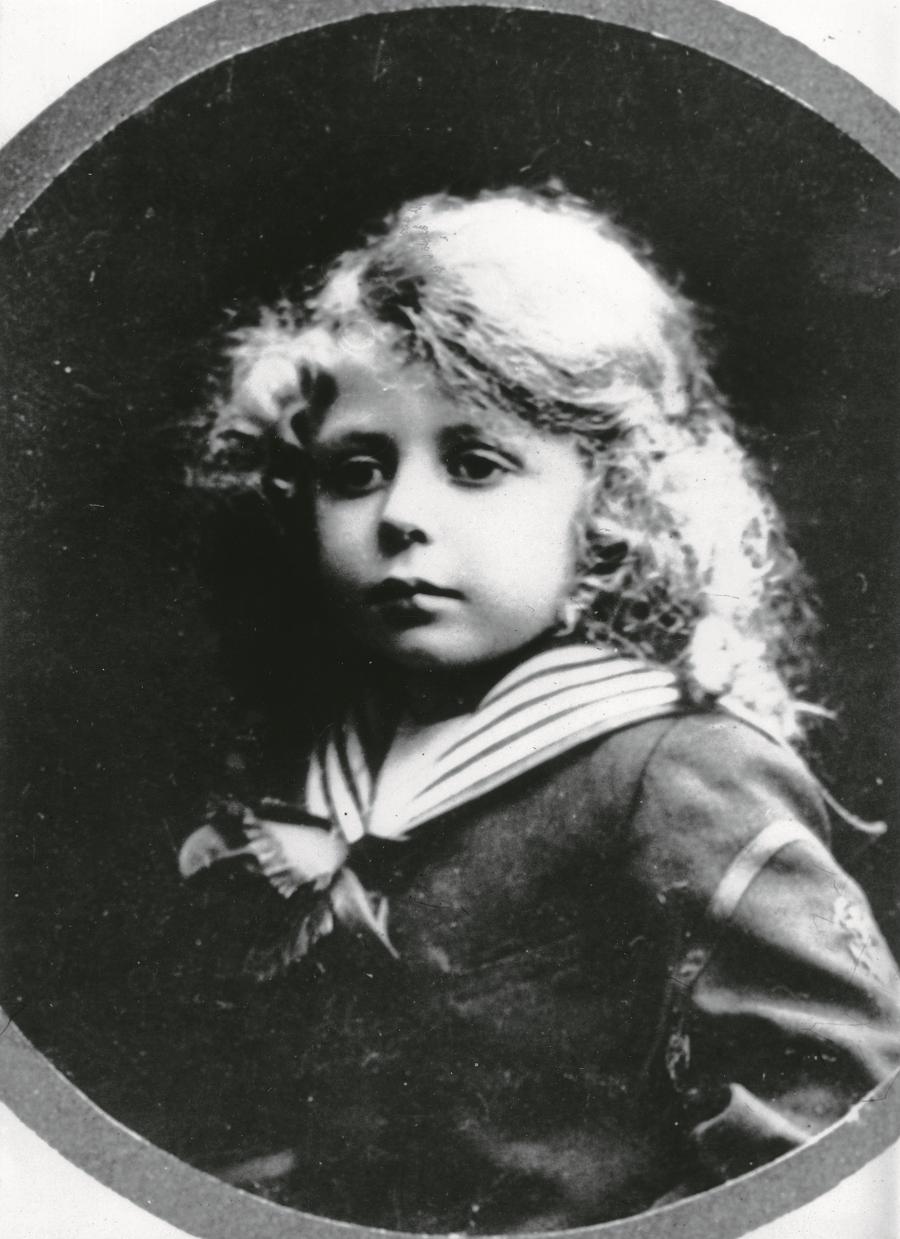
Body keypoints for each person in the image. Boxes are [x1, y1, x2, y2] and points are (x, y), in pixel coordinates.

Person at [178, 188, 900, 1232]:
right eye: (356, 470)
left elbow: (836, 1107)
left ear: (609, 505)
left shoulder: (678, 769)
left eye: (475, 464)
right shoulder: (311, 772)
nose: (401, 516)